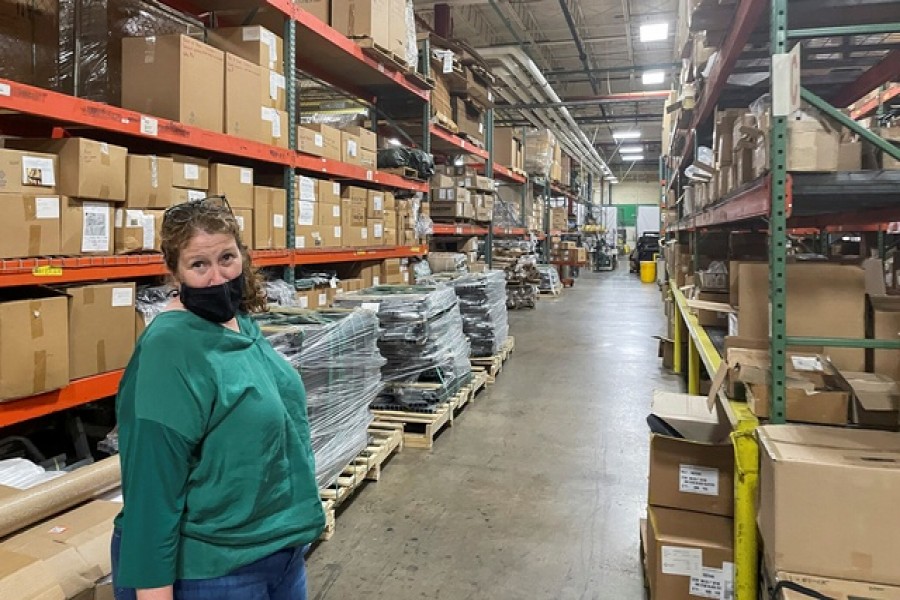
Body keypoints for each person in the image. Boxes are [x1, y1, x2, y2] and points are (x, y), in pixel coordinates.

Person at [111, 196, 325, 600]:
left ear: (243, 255)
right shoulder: (169, 350)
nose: (217, 277)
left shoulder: (240, 324)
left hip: (279, 555)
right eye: (198, 265)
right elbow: (151, 488)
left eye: (226, 257)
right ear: (174, 272)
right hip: (212, 571)